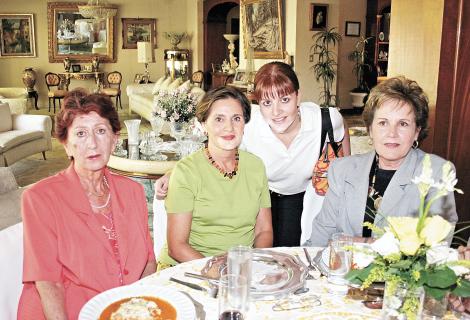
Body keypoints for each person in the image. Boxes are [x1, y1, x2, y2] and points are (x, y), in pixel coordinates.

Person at [156, 61, 350, 247]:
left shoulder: (326, 120)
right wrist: (174, 173)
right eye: (267, 102)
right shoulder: (249, 123)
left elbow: (345, 160)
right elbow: (215, 145)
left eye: (285, 100)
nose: (276, 112)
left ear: (298, 97)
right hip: (262, 201)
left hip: (305, 198)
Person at [18, 90, 156, 319]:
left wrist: (138, 309)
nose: (92, 143)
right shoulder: (40, 198)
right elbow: (49, 283)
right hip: (69, 312)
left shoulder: (133, 191)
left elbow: (148, 261)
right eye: (81, 133)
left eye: (101, 131)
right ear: (66, 145)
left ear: (114, 139)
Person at [305, 76, 458, 247]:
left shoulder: (438, 173)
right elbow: (319, 239)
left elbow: (434, 247)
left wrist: (360, 242)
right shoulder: (342, 169)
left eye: (403, 124)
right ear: (370, 129)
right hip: (341, 271)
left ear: (416, 132)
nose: (392, 133)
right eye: (383, 123)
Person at [158, 86, 273, 268]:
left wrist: (254, 265)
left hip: (241, 269)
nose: (229, 127)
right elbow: (177, 246)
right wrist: (221, 271)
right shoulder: (186, 172)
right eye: (219, 119)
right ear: (204, 125)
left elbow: (264, 231)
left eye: (236, 118)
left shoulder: (256, 167)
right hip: (189, 267)